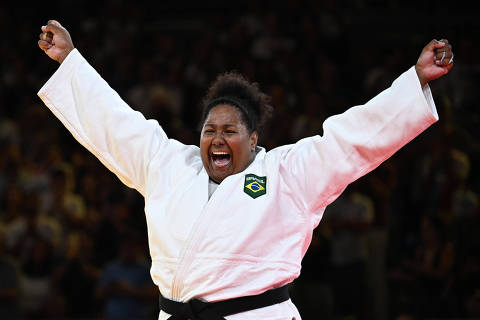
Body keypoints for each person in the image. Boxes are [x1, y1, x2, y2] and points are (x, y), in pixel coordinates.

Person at [37, 19, 454, 320]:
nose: (217, 139)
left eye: (230, 131)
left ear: (253, 139)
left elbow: (349, 140)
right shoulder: (168, 164)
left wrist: (415, 79)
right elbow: (116, 125)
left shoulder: (287, 174)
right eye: (209, 130)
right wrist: (70, 61)